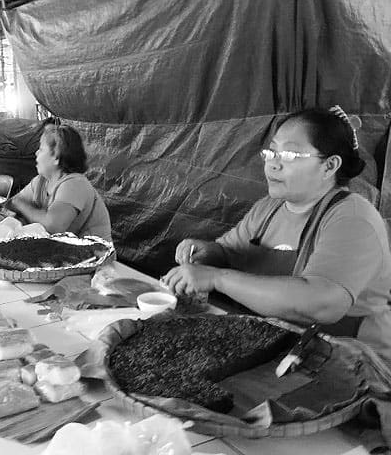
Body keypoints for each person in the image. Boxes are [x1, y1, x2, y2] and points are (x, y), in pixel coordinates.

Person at [161, 106, 391, 363]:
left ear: (329, 166)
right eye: (271, 151)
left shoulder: (352, 218)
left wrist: (217, 278)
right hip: (278, 349)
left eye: (290, 154)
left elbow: (322, 303)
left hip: (352, 364)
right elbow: (230, 253)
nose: (273, 163)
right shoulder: (269, 209)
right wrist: (208, 254)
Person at [7, 123, 112, 241]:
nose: (36, 153)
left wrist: (21, 205)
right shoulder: (41, 182)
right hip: (66, 252)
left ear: (56, 157)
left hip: (95, 255)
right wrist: (18, 206)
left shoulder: (75, 183)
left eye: (41, 149)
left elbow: (53, 226)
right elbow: (11, 204)